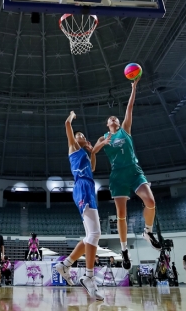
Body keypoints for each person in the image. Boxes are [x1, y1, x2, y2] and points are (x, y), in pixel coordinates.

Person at [93, 77, 161, 271]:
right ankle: (124, 250)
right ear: (107, 124)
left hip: (134, 171)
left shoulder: (125, 129)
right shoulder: (104, 137)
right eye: (110, 119)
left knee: (150, 201)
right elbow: (94, 151)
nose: (113, 119)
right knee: (121, 215)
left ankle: (148, 232)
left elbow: (129, 108)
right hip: (118, 177)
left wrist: (134, 88)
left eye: (115, 118)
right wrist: (102, 143)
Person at [55, 111, 104, 301]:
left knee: (90, 236)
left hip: (88, 187)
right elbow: (67, 127)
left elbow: (92, 168)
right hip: (82, 187)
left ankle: (66, 264)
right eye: (80, 135)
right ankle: (89, 277)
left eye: (83, 136)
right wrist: (71, 117)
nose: (83, 137)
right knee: (95, 234)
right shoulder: (74, 148)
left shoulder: (84, 153)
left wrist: (93, 151)